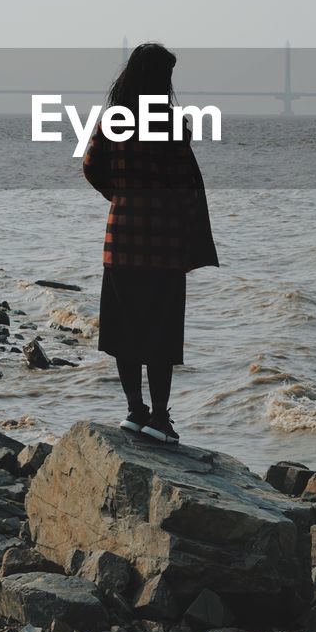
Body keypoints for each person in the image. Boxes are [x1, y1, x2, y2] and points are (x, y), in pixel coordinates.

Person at [82, 42, 218, 445]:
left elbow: (90, 169)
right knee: (161, 335)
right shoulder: (173, 126)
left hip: (121, 242)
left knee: (125, 331)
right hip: (163, 247)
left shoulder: (111, 123)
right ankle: (160, 418)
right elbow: (185, 186)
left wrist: (120, 197)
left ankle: (134, 412)